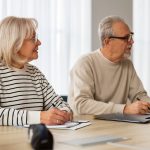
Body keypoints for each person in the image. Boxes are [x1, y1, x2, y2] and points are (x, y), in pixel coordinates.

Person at [68, 15, 150, 115]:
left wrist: (147, 104)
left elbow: (139, 95)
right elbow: (82, 105)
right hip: (85, 127)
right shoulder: (84, 63)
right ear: (107, 41)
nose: (132, 41)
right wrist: (124, 109)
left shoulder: (127, 65)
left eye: (131, 36)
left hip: (116, 125)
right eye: (126, 38)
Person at [0, 16, 72, 126]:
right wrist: (39, 117)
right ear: (15, 43)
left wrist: (64, 113)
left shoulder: (35, 73)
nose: (39, 42)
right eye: (33, 38)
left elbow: (59, 103)